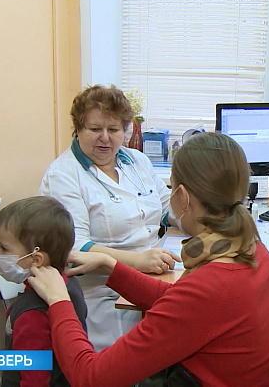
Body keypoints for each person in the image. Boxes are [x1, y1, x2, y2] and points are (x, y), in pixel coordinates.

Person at [28, 132, 269, 386]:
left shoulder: (212, 286)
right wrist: (111, 267)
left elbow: (89, 377)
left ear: (183, 198)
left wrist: (58, 299)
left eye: (172, 188)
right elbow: (181, 302)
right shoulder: (253, 249)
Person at [39, 84, 180, 350]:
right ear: (78, 129)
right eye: (95, 129)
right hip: (102, 290)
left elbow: (166, 210)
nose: (105, 138)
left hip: (155, 273)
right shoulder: (64, 175)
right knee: (126, 363)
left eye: (114, 130)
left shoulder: (136, 161)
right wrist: (137, 261)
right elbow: (74, 246)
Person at [0, 196, 87, 387]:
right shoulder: (69, 285)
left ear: (35, 260)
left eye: (3, 247)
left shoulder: (32, 315)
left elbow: (34, 379)